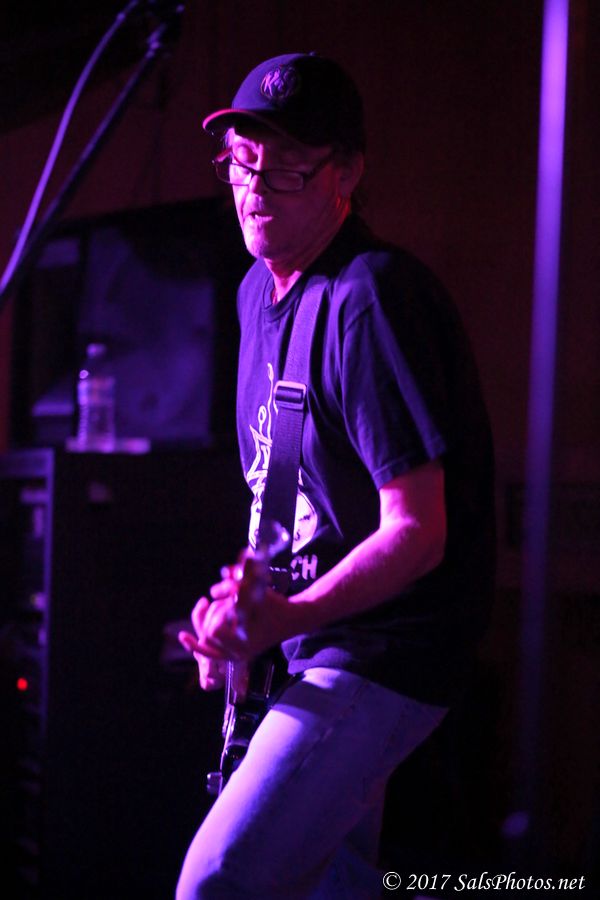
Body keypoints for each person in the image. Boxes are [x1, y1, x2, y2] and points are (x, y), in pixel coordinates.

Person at [176, 52, 495, 899]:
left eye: (286, 168)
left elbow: (417, 531)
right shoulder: (257, 293)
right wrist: (243, 616)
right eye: (242, 162)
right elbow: (282, 496)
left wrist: (286, 618)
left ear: (346, 174)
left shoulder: (370, 296)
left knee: (215, 881)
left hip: (386, 651)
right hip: (317, 647)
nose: (254, 189)